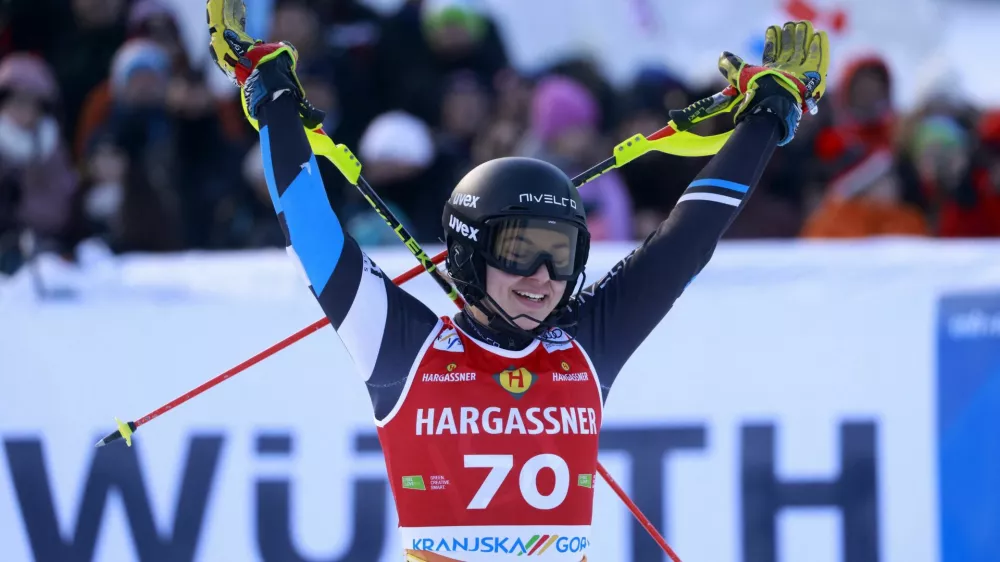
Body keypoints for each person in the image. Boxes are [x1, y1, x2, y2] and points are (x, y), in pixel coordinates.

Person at [207, 2, 829, 559]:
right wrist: (274, 100)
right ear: (471, 255)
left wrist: (769, 117)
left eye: (561, 256)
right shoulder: (401, 347)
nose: (543, 278)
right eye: (520, 252)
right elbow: (314, 235)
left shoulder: (587, 345)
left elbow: (687, 239)